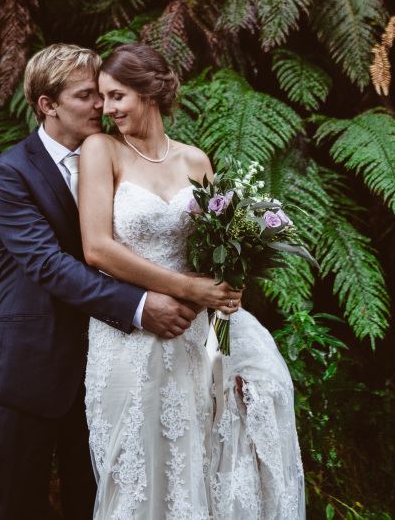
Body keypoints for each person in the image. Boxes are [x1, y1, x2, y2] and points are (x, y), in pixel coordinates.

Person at [0, 44, 203, 520]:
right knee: (12, 508)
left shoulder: (125, 157)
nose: (101, 105)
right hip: (28, 370)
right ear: (47, 105)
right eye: (85, 96)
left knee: (100, 508)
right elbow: (49, 265)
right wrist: (140, 306)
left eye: (104, 94)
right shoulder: (8, 173)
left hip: (109, 372)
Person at [80, 42, 306, 519]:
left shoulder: (195, 161)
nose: (106, 108)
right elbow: (97, 248)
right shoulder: (102, 150)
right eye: (102, 97)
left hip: (197, 334)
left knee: (204, 463)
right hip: (131, 334)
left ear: (149, 92)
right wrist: (185, 288)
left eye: (117, 96)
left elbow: (218, 255)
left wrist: (227, 297)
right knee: (137, 475)